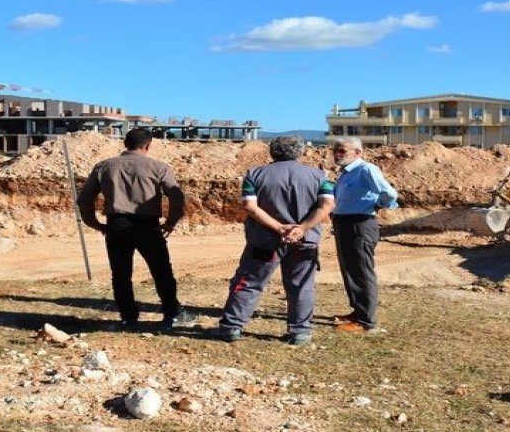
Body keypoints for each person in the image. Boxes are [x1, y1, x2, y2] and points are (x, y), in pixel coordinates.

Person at [214, 136, 335, 346]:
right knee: (302, 286)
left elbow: (250, 207)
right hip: (304, 241)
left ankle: (232, 327)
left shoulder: (255, 174)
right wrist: (302, 228)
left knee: (249, 282)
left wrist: (279, 228)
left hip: (265, 241)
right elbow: (327, 206)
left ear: (272, 152)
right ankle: (300, 332)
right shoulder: (319, 176)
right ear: (300, 152)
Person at [76, 128, 198, 330]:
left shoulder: (104, 166)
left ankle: (128, 317)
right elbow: (176, 196)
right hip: (148, 227)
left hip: (116, 225)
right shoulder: (159, 167)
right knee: (161, 271)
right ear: (148, 145)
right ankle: (171, 314)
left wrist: (95, 224)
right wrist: (171, 222)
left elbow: (84, 199)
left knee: (121, 273)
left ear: (125, 143)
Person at [329, 136, 398, 333]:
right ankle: (358, 311)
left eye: (342, 151)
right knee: (349, 269)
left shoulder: (366, 169)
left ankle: (366, 321)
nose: (337, 154)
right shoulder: (345, 173)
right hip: (344, 223)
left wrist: (377, 205)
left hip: (360, 224)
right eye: (336, 150)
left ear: (357, 153)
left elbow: (390, 194)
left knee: (361, 270)